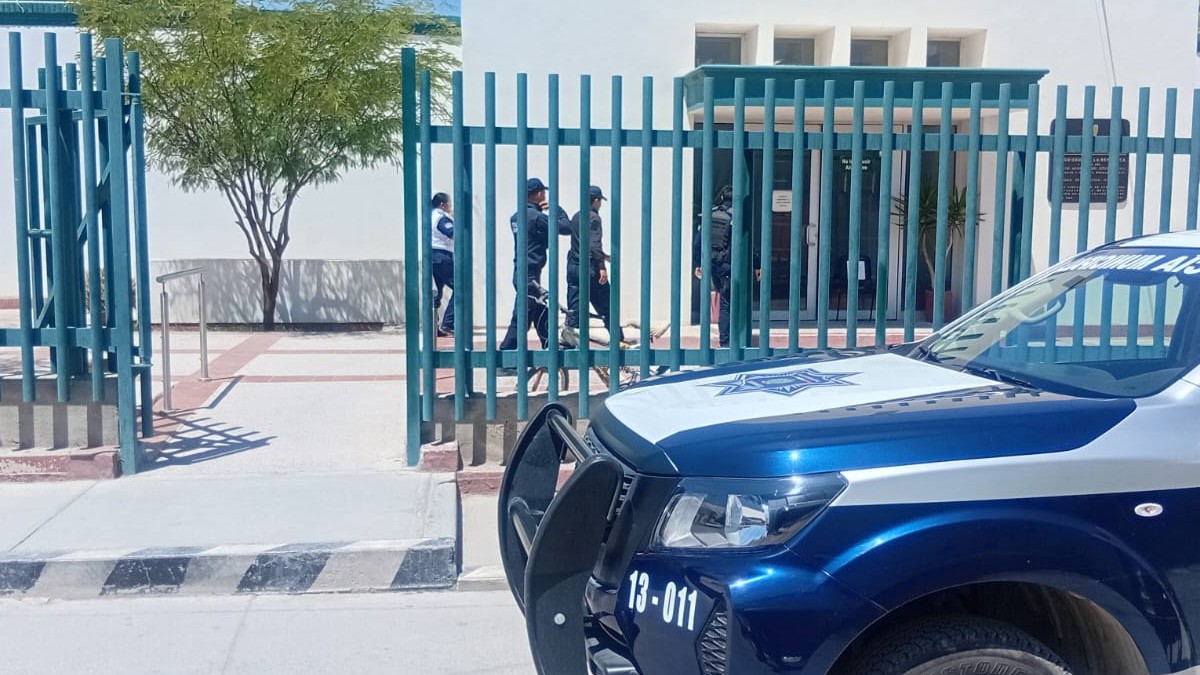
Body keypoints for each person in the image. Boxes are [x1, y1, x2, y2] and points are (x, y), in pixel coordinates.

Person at [499, 178, 571, 357]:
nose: (545, 195)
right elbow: (566, 227)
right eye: (543, 193)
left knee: (541, 311)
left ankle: (550, 347)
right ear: (539, 194)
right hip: (530, 274)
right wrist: (555, 209)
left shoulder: (517, 216)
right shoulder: (536, 217)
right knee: (522, 316)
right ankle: (507, 354)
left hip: (522, 271)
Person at [692, 186, 759, 348]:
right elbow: (749, 243)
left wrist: (698, 264)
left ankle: (727, 339)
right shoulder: (738, 216)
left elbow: (698, 242)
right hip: (732, 265)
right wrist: (757, 264)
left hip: (714, 265)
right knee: (731, 304)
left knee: (725, 300)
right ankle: (729, 341)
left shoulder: (710, 215)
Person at [563, 185, 623, 347]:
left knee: (575, 307)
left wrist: (604, 256)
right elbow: (594, 244)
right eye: (600, 201)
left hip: (574, 267)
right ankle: (619, 340)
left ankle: (570, 342)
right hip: (590, 269)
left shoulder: (576, 216)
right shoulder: (593, 218)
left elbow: (582, 243)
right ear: (596, 200)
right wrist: (601, 266)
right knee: (608, 305)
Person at [430, 192, 455, 337]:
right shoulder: (441, 217)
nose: (450, 207)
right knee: (461, 287)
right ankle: (448, 324)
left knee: (437, 292)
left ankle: (434, 326)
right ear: (442, 205)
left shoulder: (429, 216)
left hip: (432, 256)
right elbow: (453, 233)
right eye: (449, 204)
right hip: (442, 256)